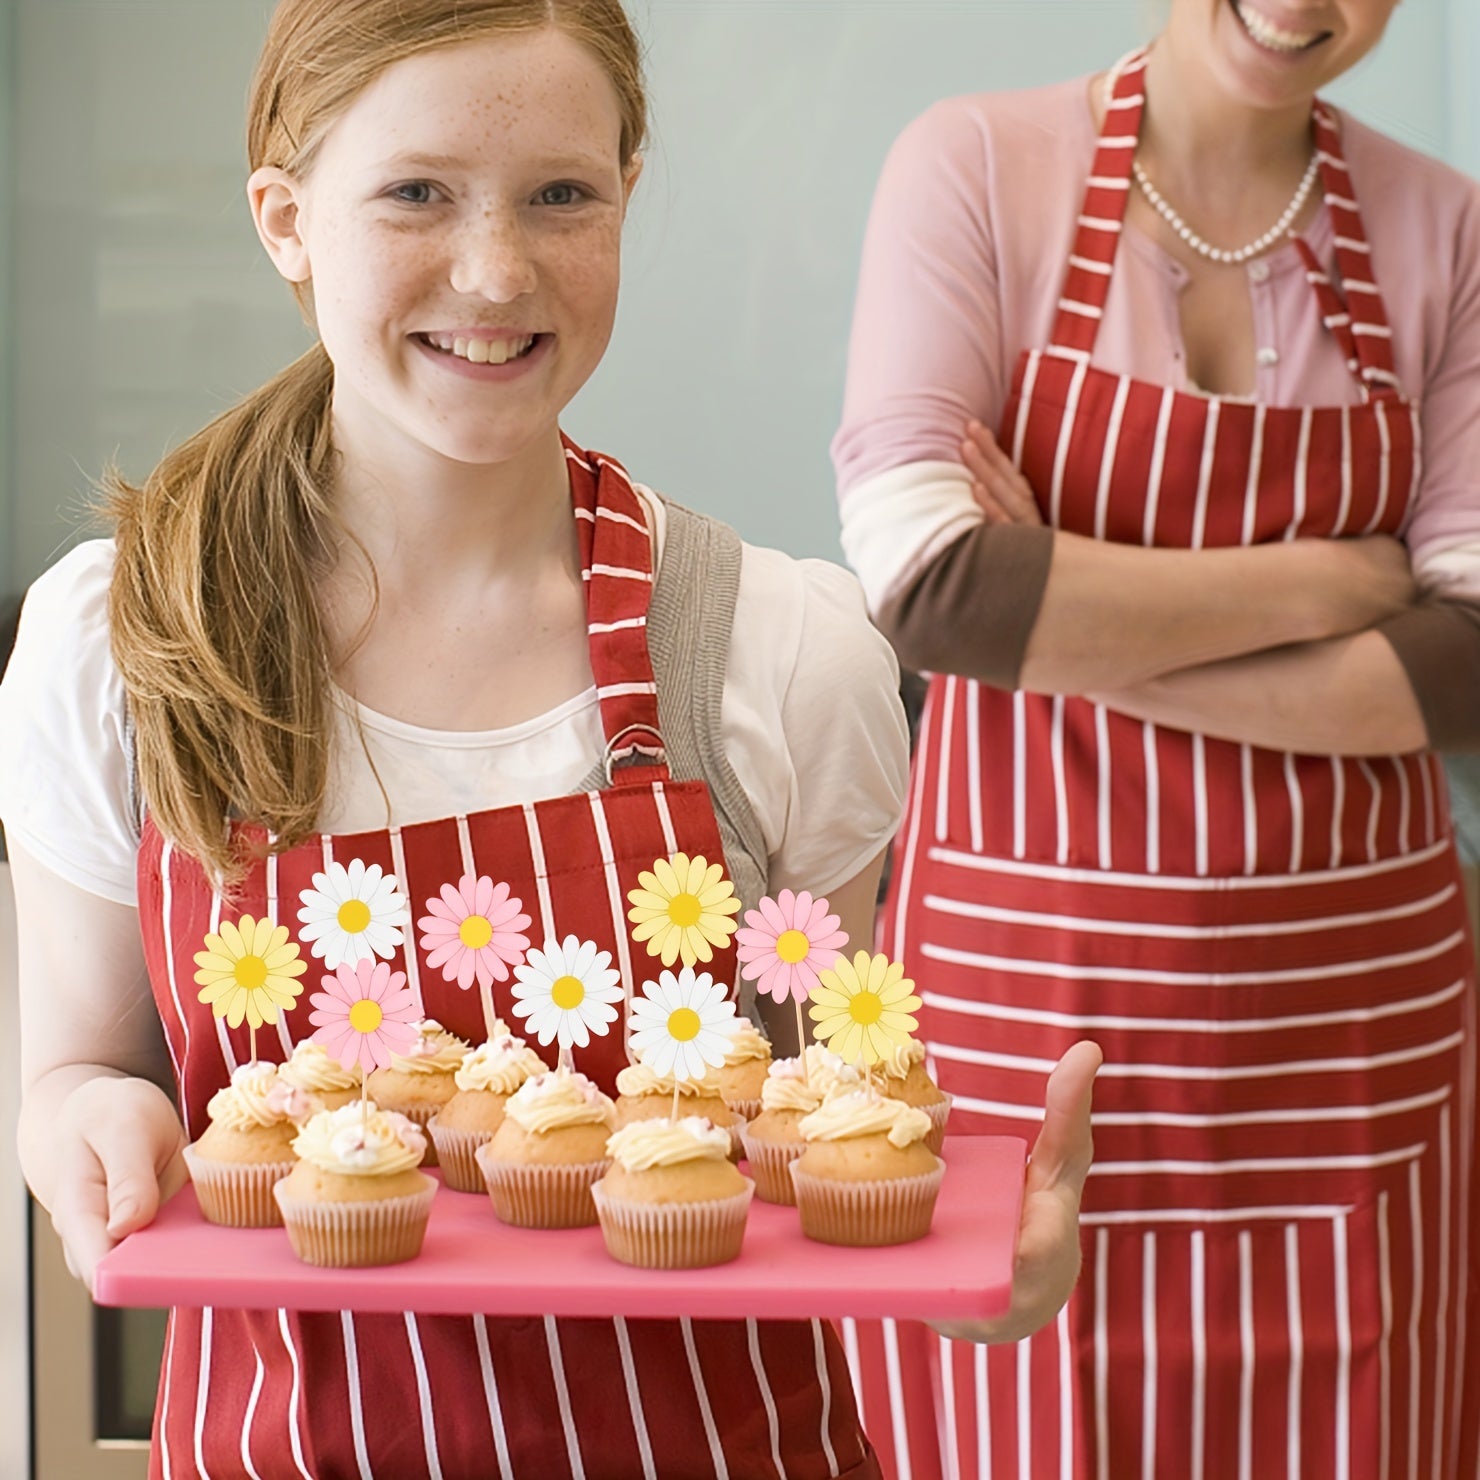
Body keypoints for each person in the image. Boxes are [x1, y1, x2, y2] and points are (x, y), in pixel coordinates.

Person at [0, 2, 1100, 1475]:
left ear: (628, 199)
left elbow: (825, 1117)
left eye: (561, 196)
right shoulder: (122, 643)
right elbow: (80, 1070)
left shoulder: (779, 653)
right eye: (416, 193)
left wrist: (967, 1278)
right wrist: (87, 1130)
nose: (498, 271)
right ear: (285, 219)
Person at [833, 1, 1480, 1476]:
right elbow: (933, 589)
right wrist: (1327, 584)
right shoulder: (977, 169)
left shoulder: (1450, 233)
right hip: (1025, 1018)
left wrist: (1060, 616)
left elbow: (1467, 665)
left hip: (1345, 1051)